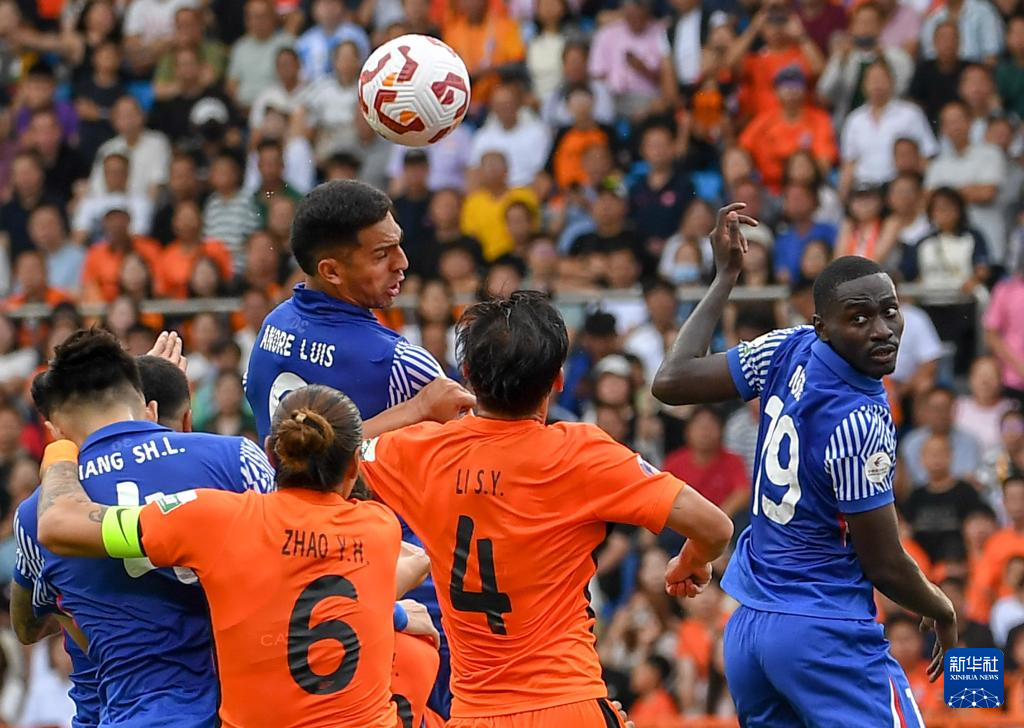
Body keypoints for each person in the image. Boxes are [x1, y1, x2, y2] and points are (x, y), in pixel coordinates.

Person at [358, 290, 734, 726]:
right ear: (557, 380)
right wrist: (691, 561)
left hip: (477, 713)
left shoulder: (419, 450)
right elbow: (715, 527)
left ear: (467, 375)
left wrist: (418, 408)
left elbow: (324, 452)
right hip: (569, 704)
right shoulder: (580, 453)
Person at [652, 203, 957, 725]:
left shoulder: (787, 345)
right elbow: (884, 564)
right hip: (822, 633)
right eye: (858, 318)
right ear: (823, 327)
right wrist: (941, 607)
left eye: (890, 311)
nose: (882, 330)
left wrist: (724, 278)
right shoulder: (861, 418)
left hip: (748, 631)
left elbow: (672, 379)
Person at [34, 382, 443, 728]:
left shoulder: (213, 519)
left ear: (270, 452)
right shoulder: (378, 528)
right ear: (353, 466)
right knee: (416, 649)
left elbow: (58, 523)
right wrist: (388, 609)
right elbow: (412, 560)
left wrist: (62, 449)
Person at [244, 179, 476, 718]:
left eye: (399, 244)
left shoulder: (272, 327)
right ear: (331, 270)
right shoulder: (401, 362)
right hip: (392, 572)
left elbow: (291, 449)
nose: (403, 263)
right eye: (382, 253)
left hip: (293, 564)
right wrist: (416, 412)